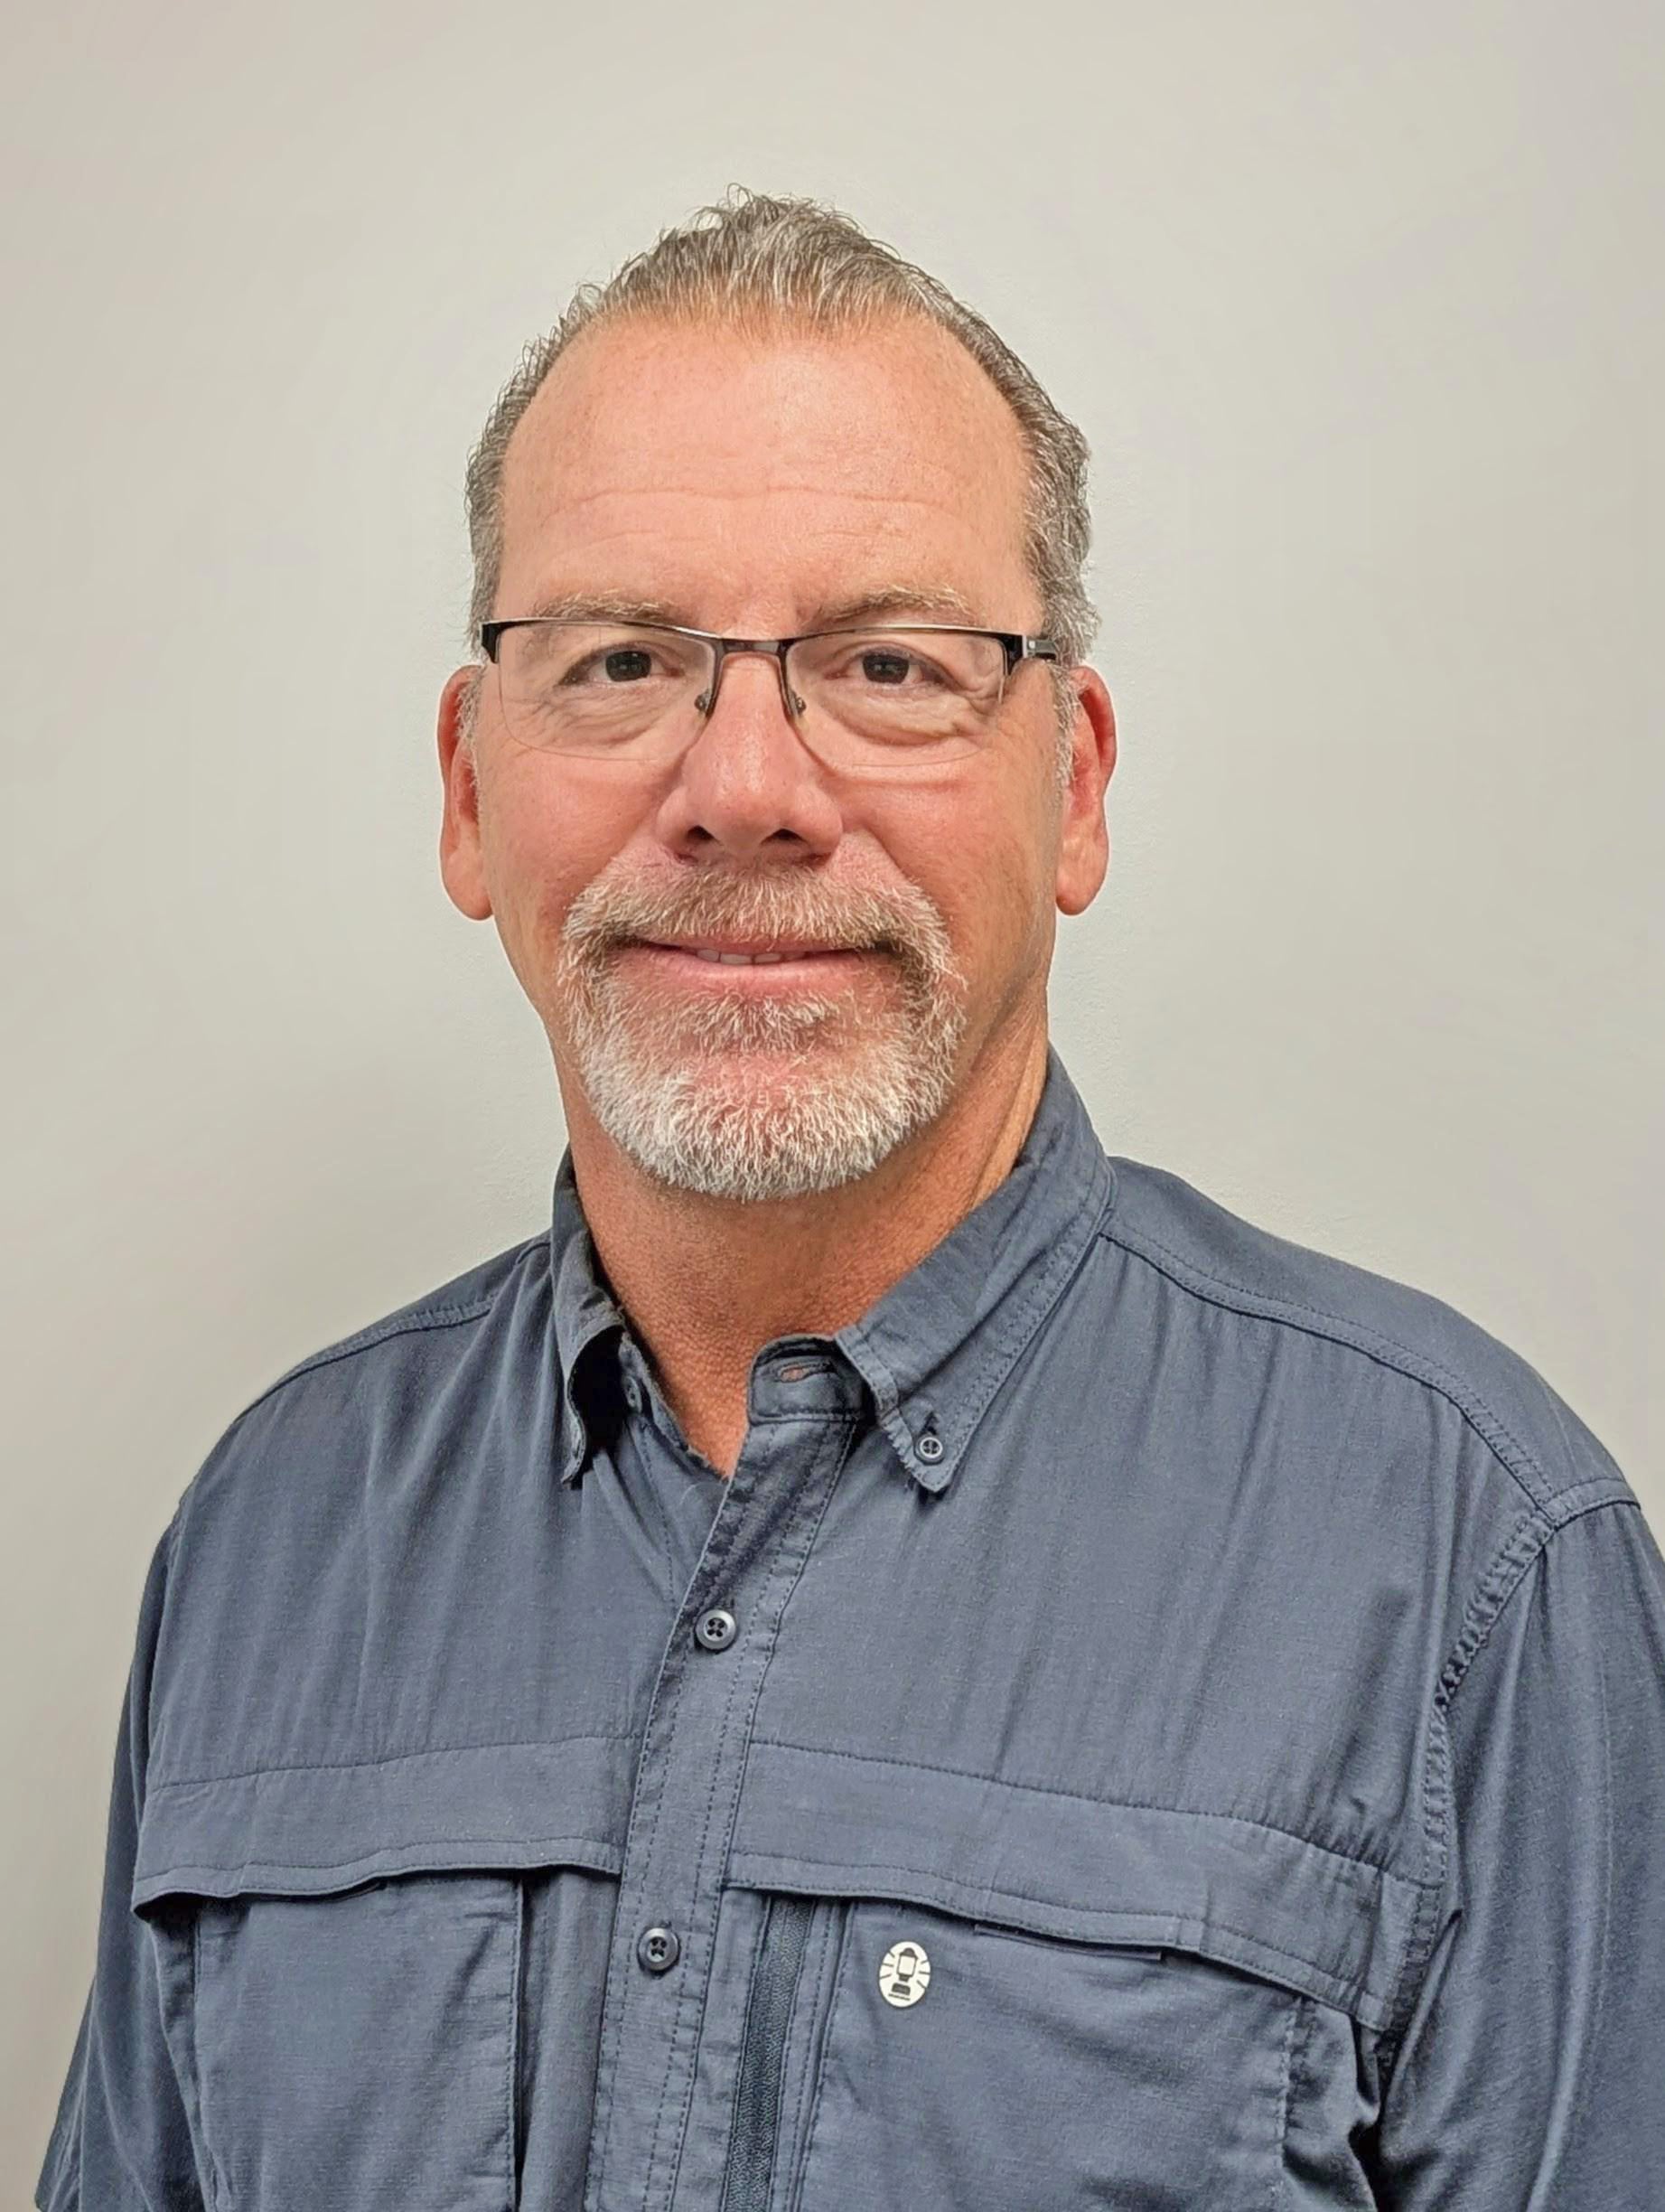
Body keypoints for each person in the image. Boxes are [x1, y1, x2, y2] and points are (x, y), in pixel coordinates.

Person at [36, 187, 1665, 2212]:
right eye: (624, 658)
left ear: (1071, 786)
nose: (744, 785)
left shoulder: (1469, 1569)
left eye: (886, 665)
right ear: (470, 789)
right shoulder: (271, 1543)